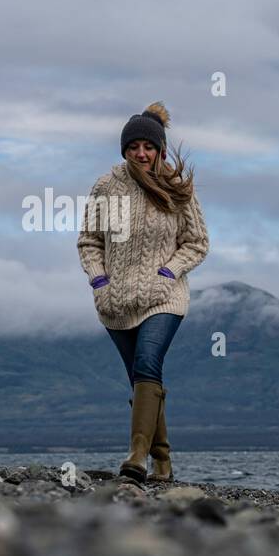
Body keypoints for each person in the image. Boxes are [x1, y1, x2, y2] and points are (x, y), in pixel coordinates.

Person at [76, 101, 209, 483]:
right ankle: (163, 464)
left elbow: (197, 242)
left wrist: (168, 271)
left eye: (148, 146)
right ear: (125, 150)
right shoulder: (106, 187)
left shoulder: (176, 188)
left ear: (160, 150)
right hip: (115, 302)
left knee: (148, 363)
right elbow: (89, 241)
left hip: (165, 296)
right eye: (133, 146)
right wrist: (100, 281)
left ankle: (136, 458)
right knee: (142, 378)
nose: (141, 153)